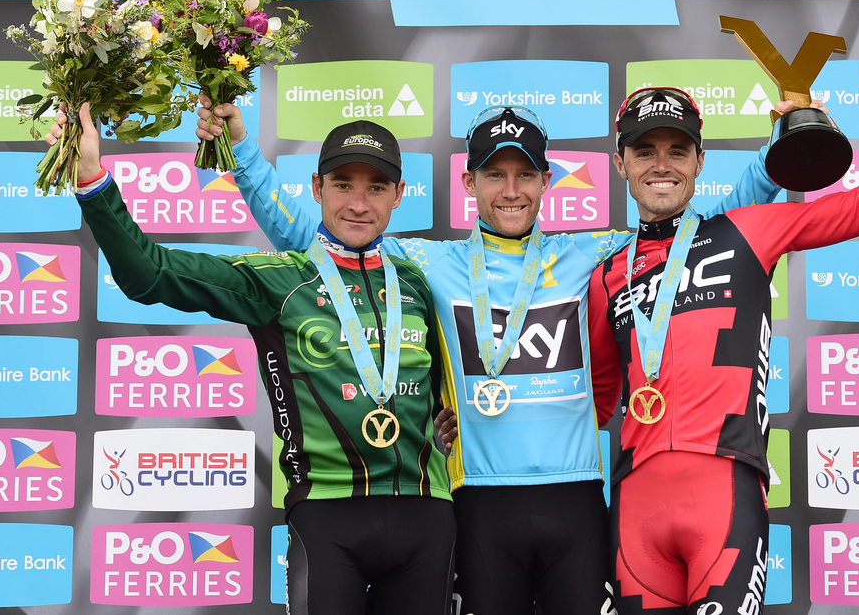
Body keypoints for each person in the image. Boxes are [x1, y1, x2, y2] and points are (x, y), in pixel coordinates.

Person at [196, 98, 793, 615]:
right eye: (494, 174)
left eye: (525, 174)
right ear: (468, 184)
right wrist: (242, 151)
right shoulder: (429, 263)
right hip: (478, 501)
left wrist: (777, 153)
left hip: (578, 498)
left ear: (547, 181)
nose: (511, 191)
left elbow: (710, 233)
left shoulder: (596, 253)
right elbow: (312, 237)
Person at [588, 13, 859, 615]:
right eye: (645, 151)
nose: (661, 164)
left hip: (725, 491)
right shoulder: (606, 272)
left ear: (699, 160)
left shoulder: (749, 229)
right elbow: (596, 401)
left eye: (677, 150)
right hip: (633, 507)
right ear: (621, 165)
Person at [51, 107, 454, 615]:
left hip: (428, 515)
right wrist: (92, 181)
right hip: (328, 521)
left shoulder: (421, 280)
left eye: (376, 187)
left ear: (398, 195)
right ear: (316, 187)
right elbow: (146, 273)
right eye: (343, 183)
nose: (358, 202)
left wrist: (453, 411)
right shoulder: (280, 281)